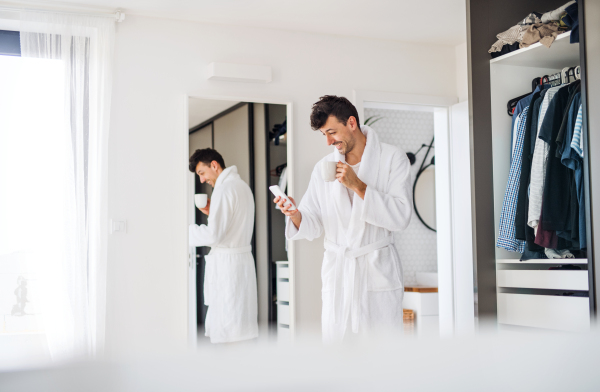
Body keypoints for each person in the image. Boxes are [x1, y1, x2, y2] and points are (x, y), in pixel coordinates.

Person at [274, 96, 412, 343]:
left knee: (381, 351)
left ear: (351, 122)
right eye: (324, 135)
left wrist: (358, 186)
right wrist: (294, 214)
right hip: (339, 272)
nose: (329, 142)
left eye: (332, 132)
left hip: (375, 270)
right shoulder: (324, 167)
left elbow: (401, 217)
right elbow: (313, 222)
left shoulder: (392, 158)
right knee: (340, 352)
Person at [189, 148, 258, 344]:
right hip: (241, 264)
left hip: (228, 269)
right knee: (239, 328)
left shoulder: (223, 189)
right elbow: (232, 227)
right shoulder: (241, 186)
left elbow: (213, 235)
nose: (202, 180)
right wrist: (213, 213)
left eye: (202, 173)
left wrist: (187, 231)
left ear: (214, 165)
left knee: (228, 331)